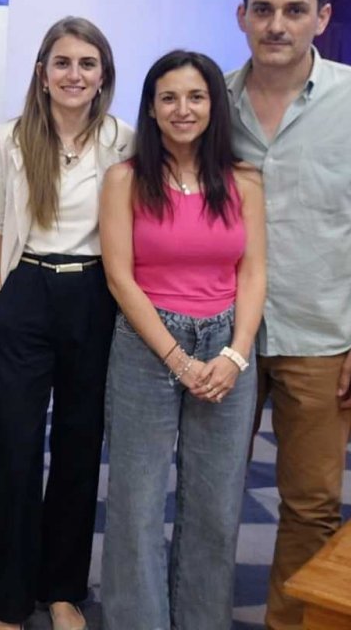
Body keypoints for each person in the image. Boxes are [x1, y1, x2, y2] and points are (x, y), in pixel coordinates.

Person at [227, 0, 351, 629]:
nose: (278, 24)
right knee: (211, 497)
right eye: (264, 9)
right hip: (222, 336)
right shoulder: (210, 101)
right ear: (241, 16)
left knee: (310, 505)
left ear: (322, 18)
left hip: (322, 337)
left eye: (295, 11)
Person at [100, 50, 266, 629]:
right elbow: (119, 276)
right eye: (168, 97)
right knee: (137, 502)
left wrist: (235, 354)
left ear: (214, 105)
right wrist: (177, 358)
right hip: (147, 343)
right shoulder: (124, 179)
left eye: (196, 96)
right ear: (151, 108)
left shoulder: (244, 180)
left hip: (226, 344)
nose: (183, 109)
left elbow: (253, 271)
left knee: (216, 504)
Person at [0, 17, 133, 630]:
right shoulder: (10, 140)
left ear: (103, 75)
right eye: (62, 63)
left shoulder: (124, 141)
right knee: (14, 450)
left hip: (94, 294)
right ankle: (9, 602)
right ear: (42, 74)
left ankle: (63, 588)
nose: (74, 74)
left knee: (78, 444)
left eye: (87, 63)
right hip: (27, 290)